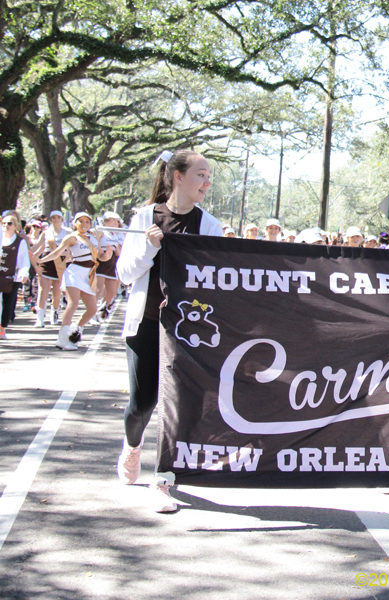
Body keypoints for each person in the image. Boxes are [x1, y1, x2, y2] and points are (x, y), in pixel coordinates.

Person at [115, 149, 222, 513]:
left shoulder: (209, 225)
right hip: (145, 323)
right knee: (142, 404)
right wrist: (149, 247)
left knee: (178, 406)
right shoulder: (145, 218)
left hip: (186, 330)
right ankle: (132, 447)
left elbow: (216, 277)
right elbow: (125, 274)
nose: (207, 183)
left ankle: (164, 479)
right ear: (178, 176)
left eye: (209, 177)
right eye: (201, 175)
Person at [38, 212, 111, 350]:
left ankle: (74, 331)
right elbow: (58, 252)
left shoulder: (93, 238)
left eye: (87, 222)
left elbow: (100, 256)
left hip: (88, 275)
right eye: (80, 221)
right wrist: (41, 260)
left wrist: (107, 255)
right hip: (75, 272)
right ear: (74, 223)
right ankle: (62, 339)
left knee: (92, 309)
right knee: (73, 303)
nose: (84, 224)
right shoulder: (72, 238)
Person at [33, 210, 70, 327]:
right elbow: (38, 248)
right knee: (43, 290)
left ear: (62, 219)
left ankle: (54, 313)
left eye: (58, 217)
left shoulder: (68, 233)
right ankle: (40, 318)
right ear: (50, 220)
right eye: (53, 218)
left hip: (61, 263)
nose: (56, 220)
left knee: (57, 292)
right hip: (47, 262)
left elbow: (71, 249)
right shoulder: (46, 233)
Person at [1, 214, 31, 340]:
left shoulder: (20, 242)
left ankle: (2, 329)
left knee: (8, 304)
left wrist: (24, 274)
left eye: (9, 223)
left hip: (12, 277)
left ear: (15, 226)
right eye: (4, 223)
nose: (6, 226)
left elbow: (24, 260)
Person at [93, 212, 124, 323]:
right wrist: (102, 254)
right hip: (101, 262)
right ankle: (92, 314)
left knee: (111, 292)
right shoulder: (101, 231)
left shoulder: (114, 234)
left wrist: (117, 251)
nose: (115, 223)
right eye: (112, 220)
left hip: (112, 263)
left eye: (116, 221)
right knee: (98, 289)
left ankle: (101, 310)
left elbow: (118, 249)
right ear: (105, 221)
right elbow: (94, 242)